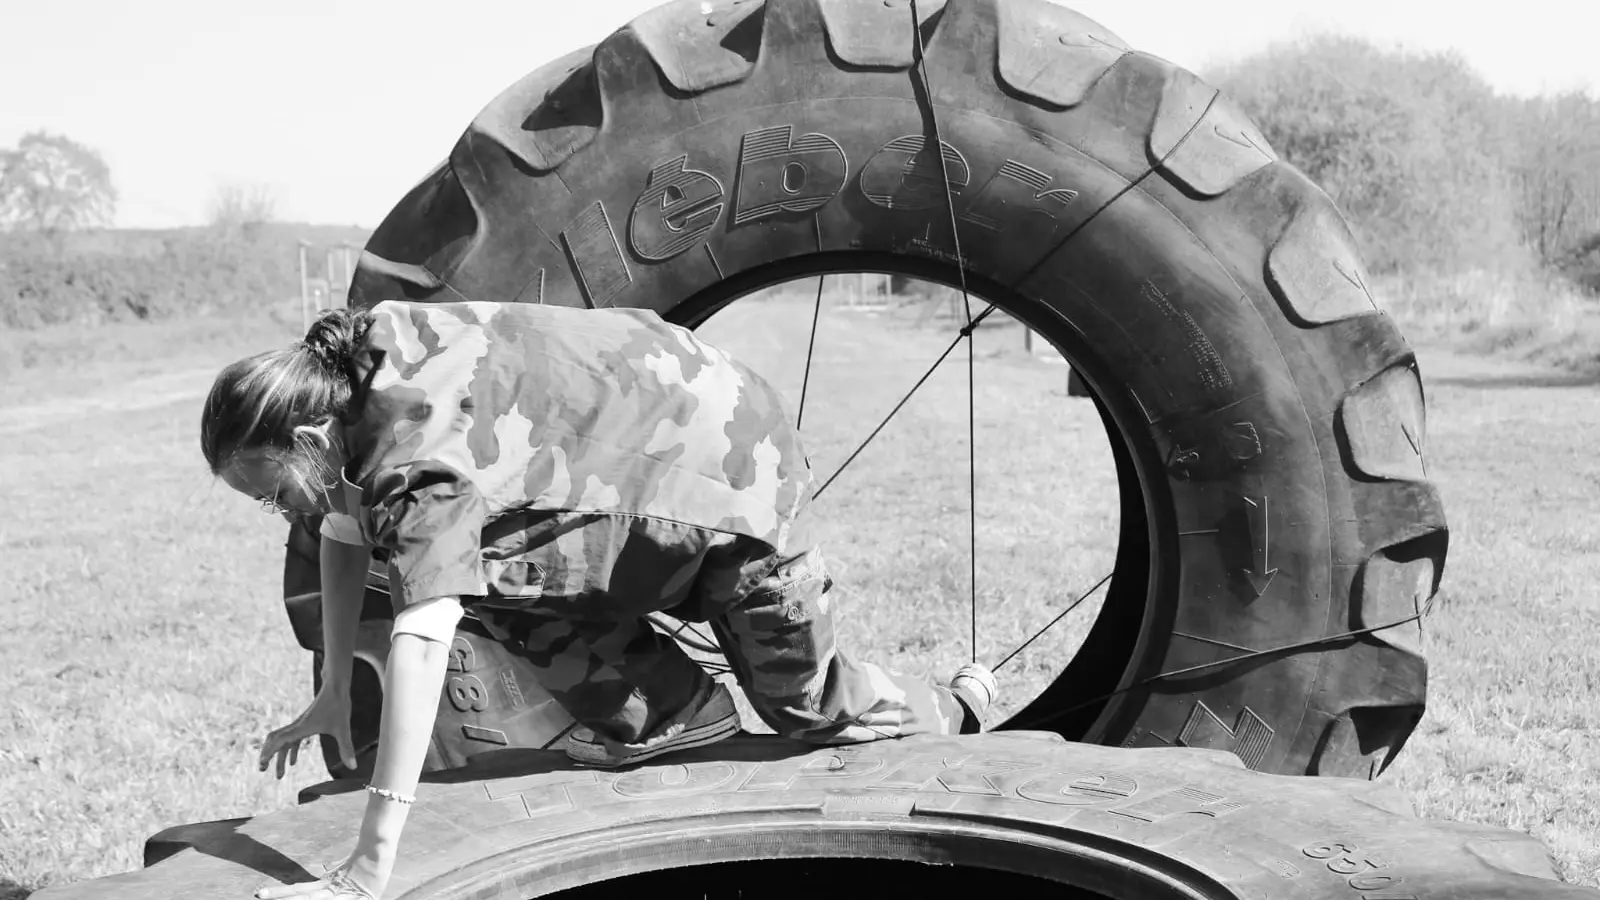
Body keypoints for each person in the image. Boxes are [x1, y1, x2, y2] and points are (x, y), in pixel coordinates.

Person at [202, 298, 998, 900]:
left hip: (733, 471)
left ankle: (954, 703)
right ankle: (672, 709)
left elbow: (421, 642)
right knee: (454, 572)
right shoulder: (356, 368)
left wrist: (369, 868)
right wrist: (337, 691)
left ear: (308, 440)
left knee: (813, 707)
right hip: (648, 446)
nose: (283, 516)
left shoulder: (418, 469)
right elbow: (343, 529)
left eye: (273, 495)